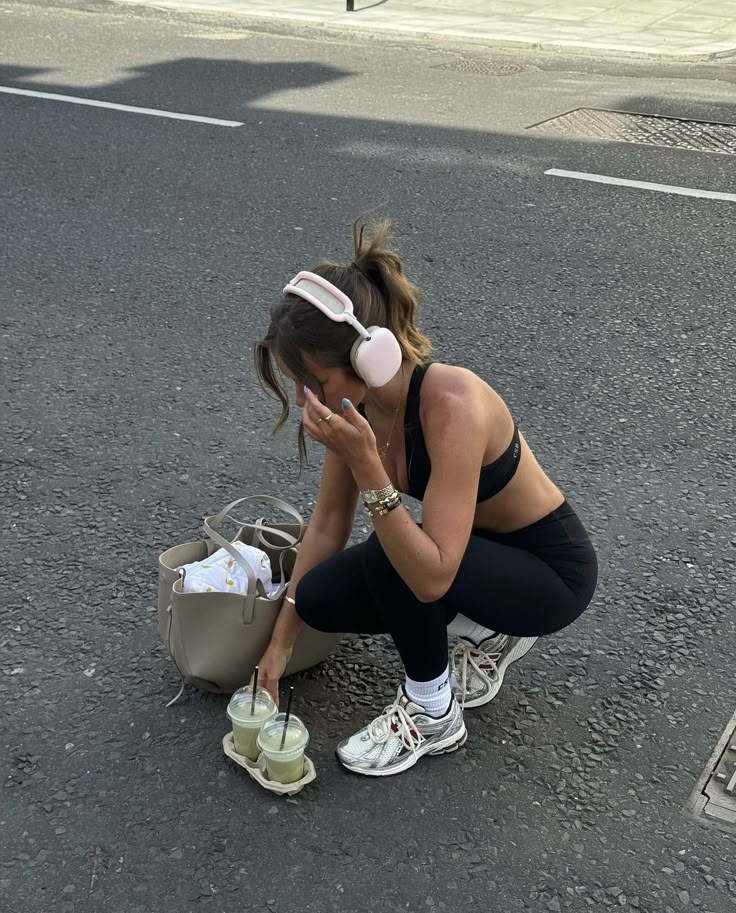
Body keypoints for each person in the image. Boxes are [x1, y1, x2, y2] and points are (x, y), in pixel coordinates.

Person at [253, 219, 598, 778]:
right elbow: (326, 526)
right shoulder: (356, 410)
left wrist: (369, 467)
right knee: (319, 598)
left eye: (312, 381)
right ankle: (483, 629)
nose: (302, 399)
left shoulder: (453, 404)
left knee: (395, 555)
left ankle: (433, 710)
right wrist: (279, 645)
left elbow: (432, 574)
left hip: (548, 576)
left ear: (367, 359)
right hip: (470, 557)